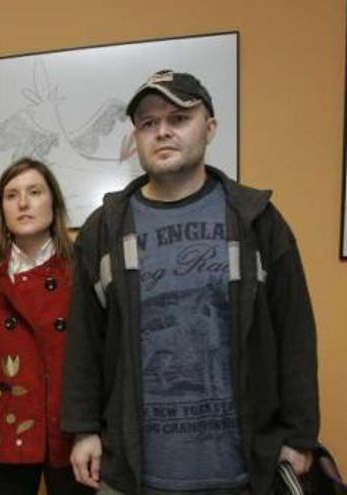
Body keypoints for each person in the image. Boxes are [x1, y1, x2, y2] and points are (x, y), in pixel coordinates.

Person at [61, 70, 319, 494]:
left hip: (243, 475)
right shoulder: (104, 229)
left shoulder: (257, 221)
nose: (162, 131)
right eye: (148, 123)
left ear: (210, 128)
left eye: (179, 118)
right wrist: (83, 429)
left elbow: (295, 333)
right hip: (133, 475)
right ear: (137, 138)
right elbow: (85, 340)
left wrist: (299, 435)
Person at [0, 158, 91, 495]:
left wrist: (94, 431)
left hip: (74, 434)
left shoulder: (81, 268)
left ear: (53, 203)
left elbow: (100, 360)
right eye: (11, 195)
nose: (23, 203)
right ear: (2, 210)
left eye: (34, 192)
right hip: (7, 435)